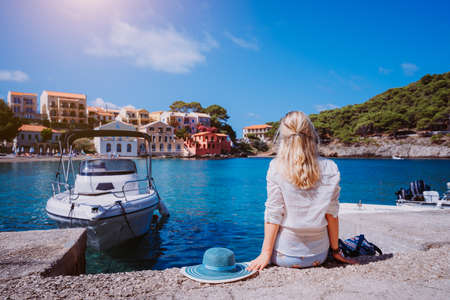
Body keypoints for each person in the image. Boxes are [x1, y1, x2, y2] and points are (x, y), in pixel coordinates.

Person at [248, 111, 356, 271]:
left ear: (283, 136)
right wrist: (336, 251)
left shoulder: (276, 167)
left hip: (284, 255)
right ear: (311, 134)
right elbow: (331, 215)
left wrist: (265, 253)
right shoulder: (331, 167)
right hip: (319, 256)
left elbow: (274, 213)